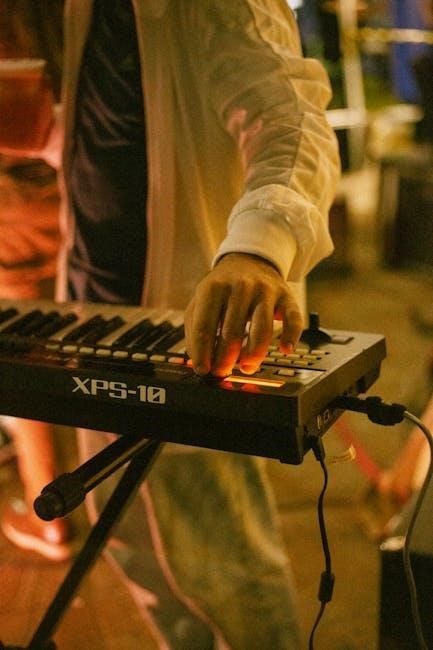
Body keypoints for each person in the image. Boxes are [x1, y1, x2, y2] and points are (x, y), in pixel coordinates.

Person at [1, 1, 340, 647]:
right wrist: (49, 132)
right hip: (99, 322)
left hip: (188, 332)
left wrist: (255, 252)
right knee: (141, 555)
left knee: (225, 577)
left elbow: (292, 122)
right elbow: (128, 143)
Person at [0, 0, 72, 562]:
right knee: (65, 347)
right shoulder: (61, 12)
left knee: (23, 362)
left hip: (13, 206)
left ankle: (50, 518)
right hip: (66, 190)